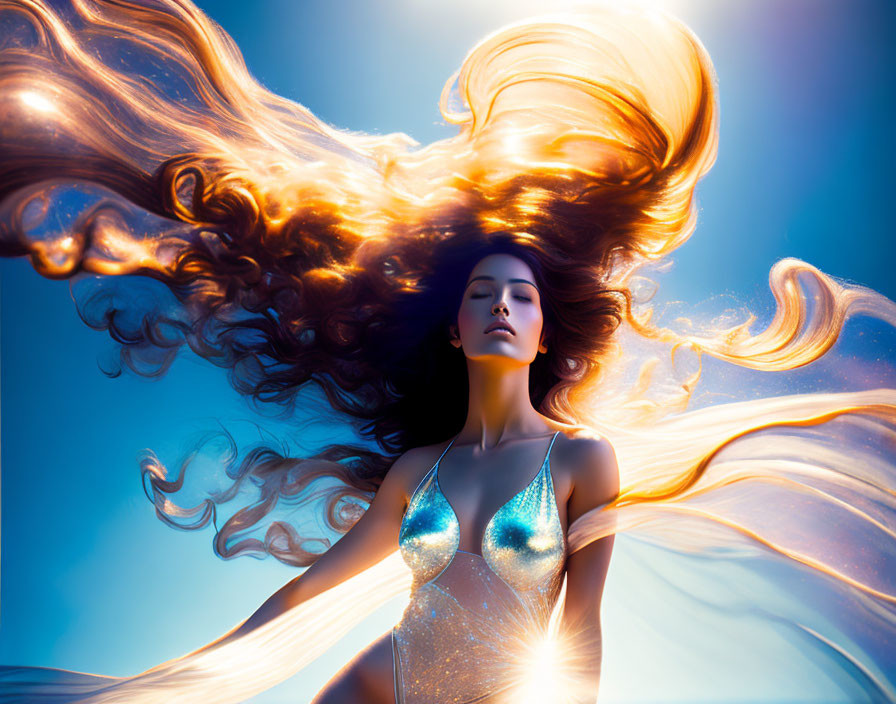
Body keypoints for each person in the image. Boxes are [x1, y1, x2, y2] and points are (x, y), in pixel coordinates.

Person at [1, 1, 894, 702]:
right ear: (454, 328)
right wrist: (193, 674)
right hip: (380, 687)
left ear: (546, 329)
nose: (502, 308)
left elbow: (579, 629)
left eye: (522, 296)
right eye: (481, 296)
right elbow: (307, 592)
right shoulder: (415, 474)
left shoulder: (582, 460)